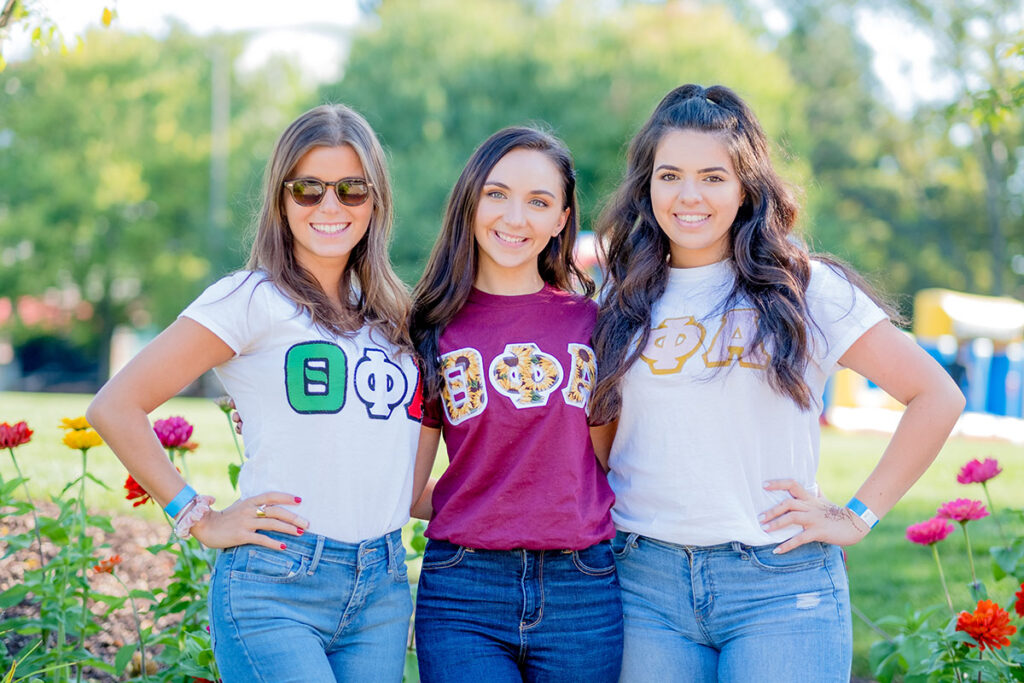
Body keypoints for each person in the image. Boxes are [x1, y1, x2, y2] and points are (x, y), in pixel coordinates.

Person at [588, 84, 965, 682]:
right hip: (642, 585)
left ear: (745, 187)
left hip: (779, 588)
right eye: (670, 175)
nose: (690, 196)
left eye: (713, 177)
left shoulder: (802, 289)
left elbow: (937, 396)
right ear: (647, 185)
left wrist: (858, 515)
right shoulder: (617, 297)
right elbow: (599, 441)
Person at [87, 104, 421, 683]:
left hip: (384, 589)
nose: (330, 207)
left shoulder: (395, 316)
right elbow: (115, 406)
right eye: (308, 189)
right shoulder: (249, 299)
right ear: (280, 198)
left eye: (350, 189)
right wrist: (198, 517)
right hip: (277, 586)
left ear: (377, 199)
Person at [409, 126, 623, 682]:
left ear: (560, 220)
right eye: (497, 194)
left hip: (583, 590)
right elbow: (406, 489)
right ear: (471, 200)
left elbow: (596, 463)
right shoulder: (427, 328)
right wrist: (489, 503)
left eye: (539, 202)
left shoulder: (592, 325)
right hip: (463, 590)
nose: (514, 217)